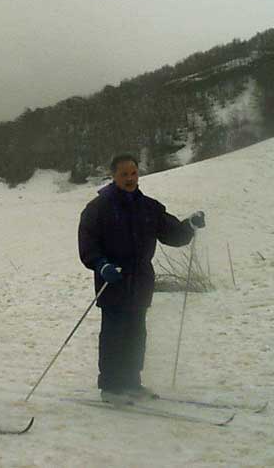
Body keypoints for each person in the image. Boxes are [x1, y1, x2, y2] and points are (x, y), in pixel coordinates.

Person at [78, 154, 205, 403]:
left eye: (133, 173)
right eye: (124, 174)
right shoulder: (98, 209)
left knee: (136, 333)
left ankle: (132, 383)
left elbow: (173, 234)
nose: (130, 178)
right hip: (112, 280)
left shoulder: (149, 207)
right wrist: (102, 265)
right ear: (113, 176)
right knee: (115, 333)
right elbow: (88, 245)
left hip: (141, 280)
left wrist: (189, 225)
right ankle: (112, 387)